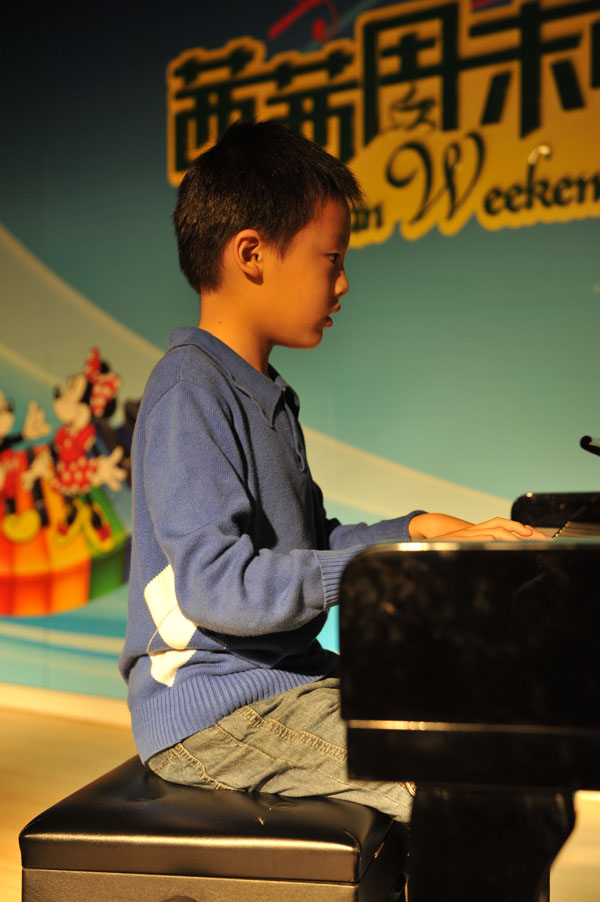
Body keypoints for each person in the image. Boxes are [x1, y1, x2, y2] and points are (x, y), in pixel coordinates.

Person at [119, 119, 548, 821]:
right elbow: (220, 588)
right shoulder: (189, 391)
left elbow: (310, 545)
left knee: (486, 719)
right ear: (252, 254)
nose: (343, 283)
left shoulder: (265, 395)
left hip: (282, 683)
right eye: (331, 259)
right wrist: (384, 566)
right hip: (219, 710)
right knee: (465, 785)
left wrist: (417, 532)